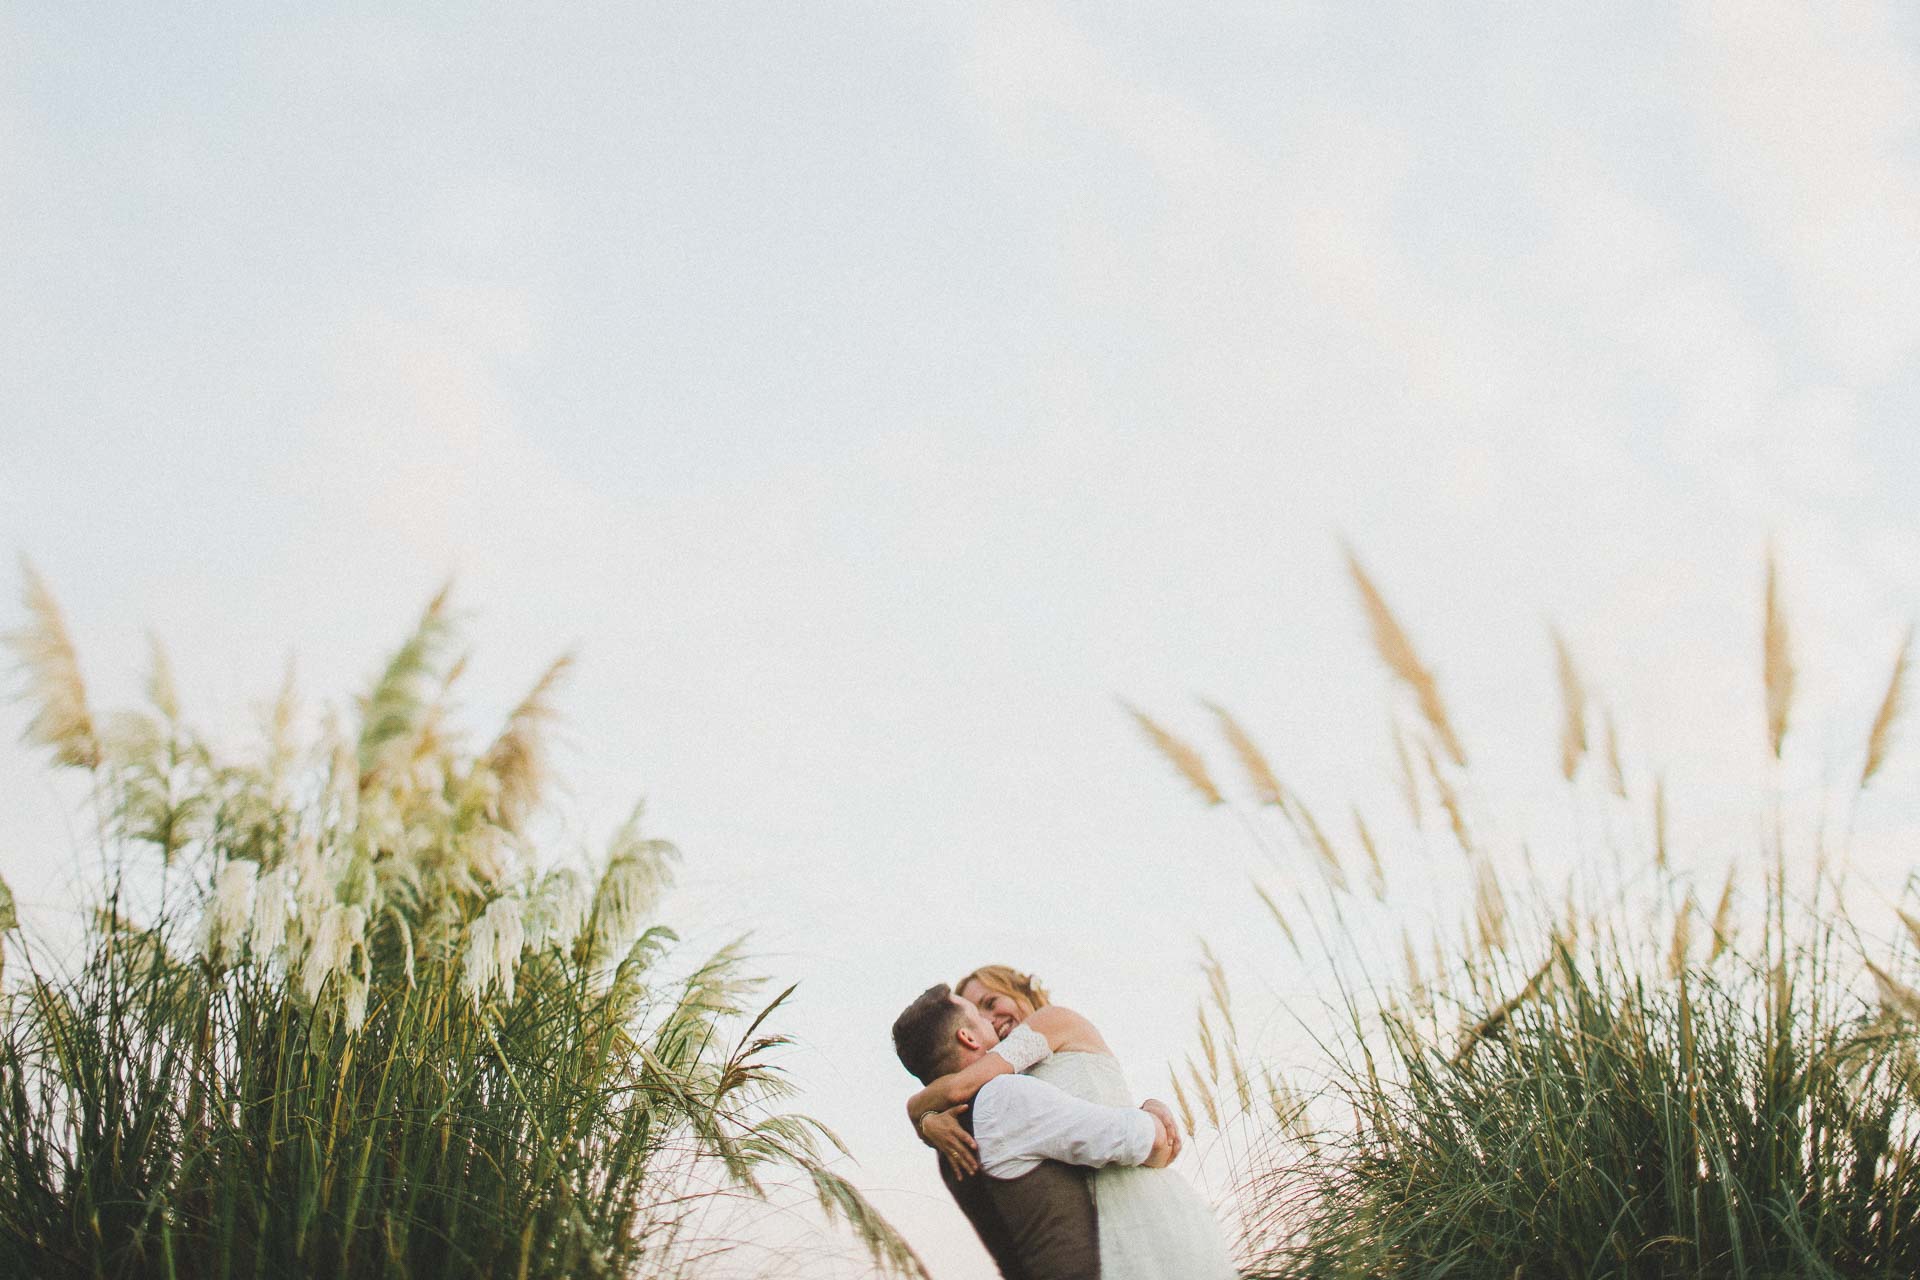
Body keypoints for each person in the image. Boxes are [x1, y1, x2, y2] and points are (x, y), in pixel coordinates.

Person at [905, 966, 1239, 1280]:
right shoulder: (1004, 1084)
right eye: (980, 1013)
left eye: (991, 1003)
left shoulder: (1050, 1021)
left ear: (1020, 990)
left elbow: (958, 1086)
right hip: (1110, 1221)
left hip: (1144, 1203)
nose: (991, 1020)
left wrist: (920, 1111)